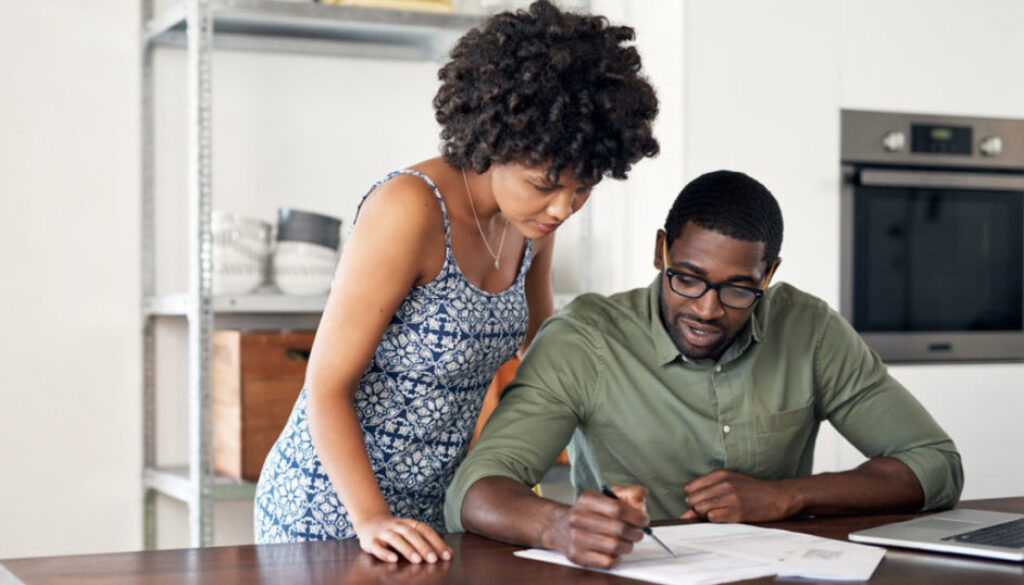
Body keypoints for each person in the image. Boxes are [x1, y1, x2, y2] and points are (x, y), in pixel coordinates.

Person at [252, 0, 660, 566]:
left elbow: (545, 358)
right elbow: (325, 387)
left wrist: (612, 464)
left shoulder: (531, 223)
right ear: (493, 141)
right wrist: (370, 517)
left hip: (432, 506)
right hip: (332, 504)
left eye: (583, 186)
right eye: (546, 183)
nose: (564, 207)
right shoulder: (410, 210)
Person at [445, 170, 963, 569]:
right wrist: (557, 526)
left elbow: (935, 465)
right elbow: (477, 490)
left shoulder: (809, 330)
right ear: (660, 251)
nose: (708, 310)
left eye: (739, 288)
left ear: (770, 274)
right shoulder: (586, 339)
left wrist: (786, 496)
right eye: (688, 279)